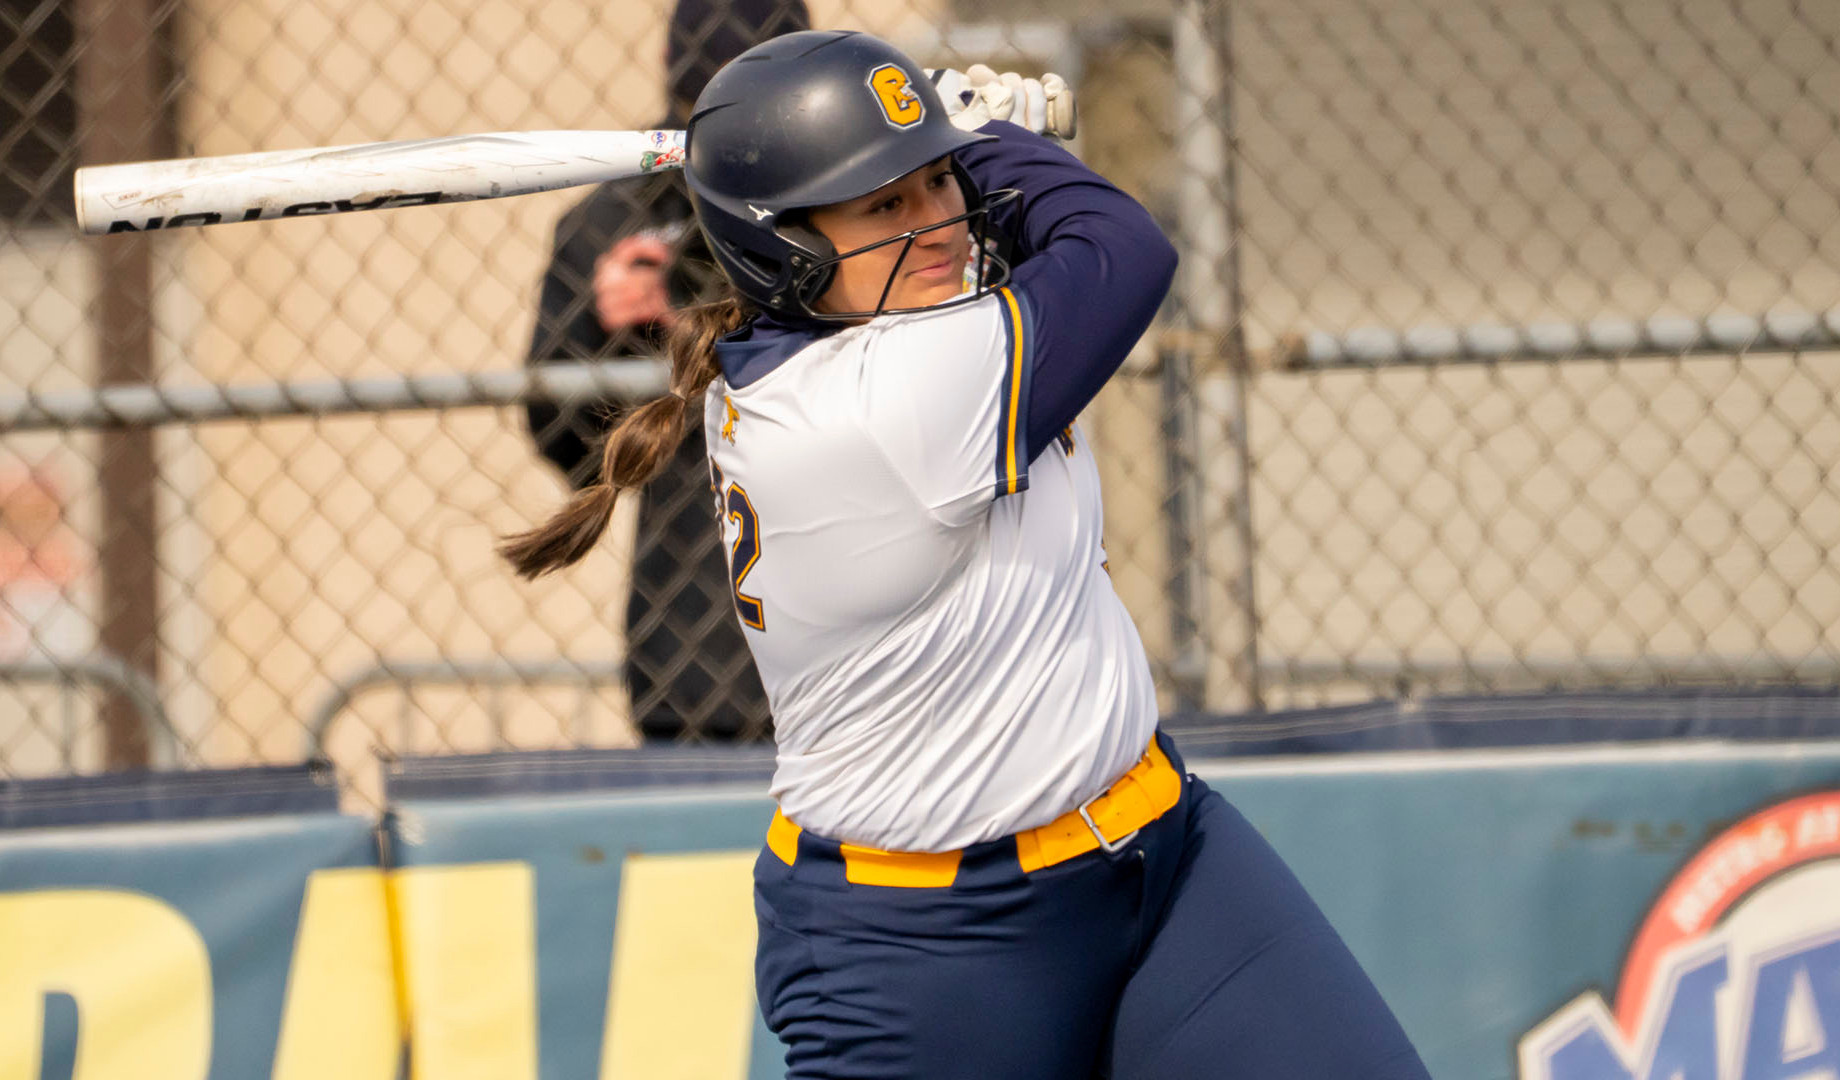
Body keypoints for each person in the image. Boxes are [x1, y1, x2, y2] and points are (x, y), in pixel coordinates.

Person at [502, 30, 1432, 1079]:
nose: (939, 220)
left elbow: (1041, 253)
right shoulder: (878, 404)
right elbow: (1121, 248)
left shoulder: (915, 325)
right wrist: (983, 135)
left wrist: (929, 134)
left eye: (940, 183)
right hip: (934, 951)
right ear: (782, 248)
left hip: (1167, 859)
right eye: (884, 204)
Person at [523, 0, 809, 741]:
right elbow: (566, 445)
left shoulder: (844, 192)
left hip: (858, 619)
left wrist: (709, 327)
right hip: (696, 640)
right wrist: (610, 328)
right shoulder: (621, 210)